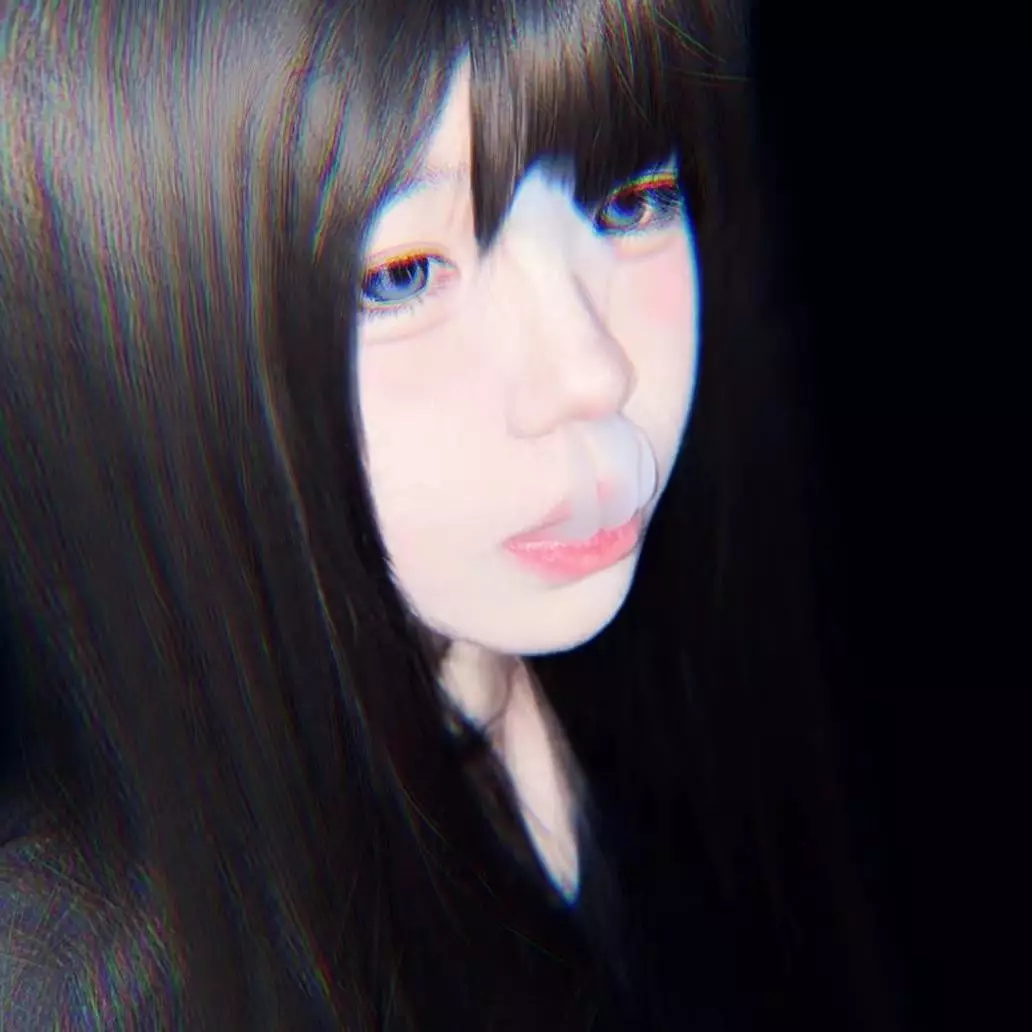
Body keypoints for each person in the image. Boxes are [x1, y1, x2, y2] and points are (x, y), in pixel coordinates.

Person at [0, 0, 895, 1028]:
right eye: (404, 276)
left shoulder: (694, 677)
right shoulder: (78, 981)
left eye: (630, 200)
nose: (592, 370)